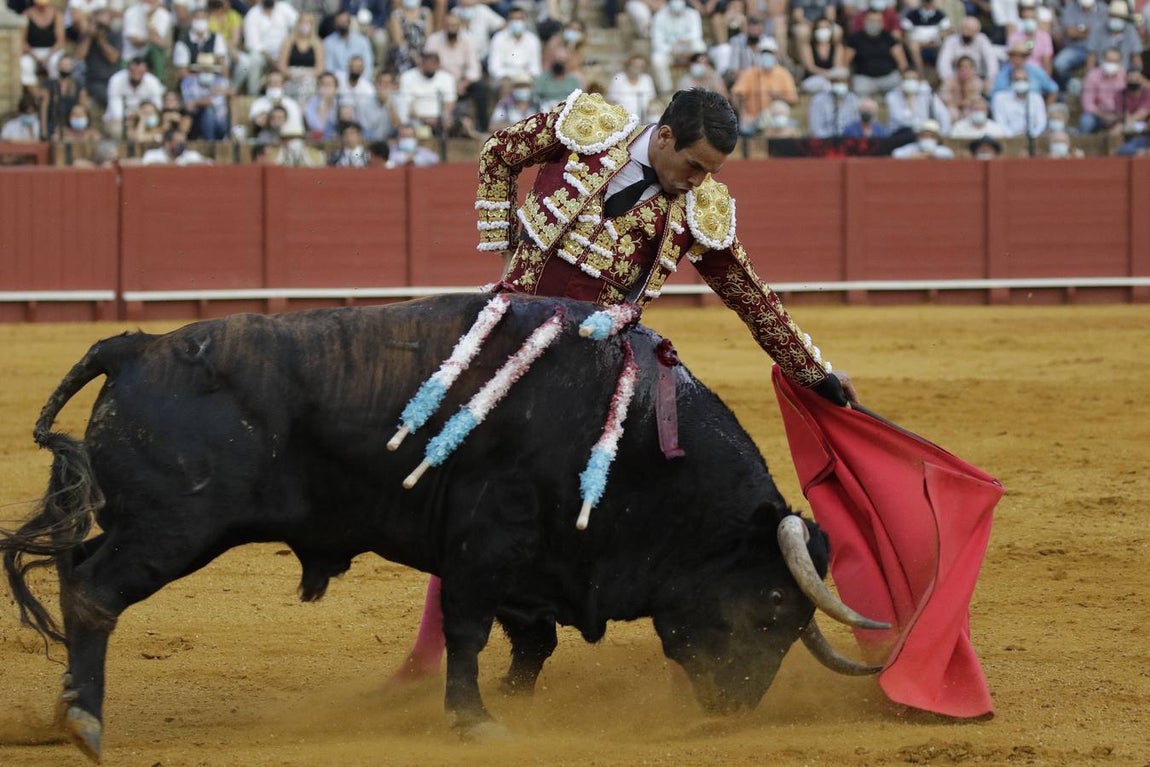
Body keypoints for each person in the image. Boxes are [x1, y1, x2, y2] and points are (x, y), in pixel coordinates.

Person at [394, 87, 857, 681]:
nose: (697, 181)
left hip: (586, 378)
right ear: (663, 136)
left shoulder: (698, 212)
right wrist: (505, 242)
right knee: (467, 482)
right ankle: (430, 654)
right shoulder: (587, 129)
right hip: (507, 340)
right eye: (693, 165)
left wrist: (814, 373)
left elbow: (752, 297)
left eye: (710, 171)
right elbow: (499, 152)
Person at [425, 13, 491, 133]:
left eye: (454, 25)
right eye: (448, 25)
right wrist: (450, 84)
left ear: (459, 26)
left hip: (462, 84)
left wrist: (464, 83)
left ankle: (482, 128)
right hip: (440, 83)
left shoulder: (467, 40)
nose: (451, 28)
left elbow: (474, 67)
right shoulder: (434, 40)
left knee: (481, 87)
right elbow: (430, 66)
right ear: (443, 26)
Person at [730, 37, 798, 132]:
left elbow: (793, 99)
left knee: (780, 107)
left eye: (769, 53)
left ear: (775, 54)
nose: (767, 55)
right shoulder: (750, 73)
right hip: (752, 119)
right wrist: (741, 113)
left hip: (773, 118)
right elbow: (736, 94)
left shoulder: (783, 74)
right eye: (764, 53)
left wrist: (778, 96)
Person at [844, 8, 907, 97]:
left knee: (901, 91)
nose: (874, 23)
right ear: (865, 21)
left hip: (888, 77)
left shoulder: (889, 38)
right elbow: (845, 63)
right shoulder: (855, 39)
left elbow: (902, 62)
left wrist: (904, 77)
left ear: (882, 23)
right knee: (860, 95)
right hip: (865, 79)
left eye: (878, 21)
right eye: (871, 20)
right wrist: (847, 80)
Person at [242, 0, 299, 95]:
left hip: (285, 51)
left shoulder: (284, 8)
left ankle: (290, 95)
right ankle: (253, 94)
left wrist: (289, 43)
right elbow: (253, 44)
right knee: (254, 60)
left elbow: (298, 24)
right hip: (264, 55)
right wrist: (271, 61)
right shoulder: (253, 14)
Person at [650, 0, 706, 94]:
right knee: (657, 59)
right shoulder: (659, 16)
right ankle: (666, 91)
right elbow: (657, 42)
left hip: (687, 48)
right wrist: (671, 50)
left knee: (700, 47)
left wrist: (683, 43)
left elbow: (696, 34)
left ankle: (700, 86)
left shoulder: (692, 14)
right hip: (669, 51)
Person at [396, 50, 457, 135]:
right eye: (428, 64)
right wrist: (425, 120)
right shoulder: (407, 77)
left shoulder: (447, 78)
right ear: (422, 63)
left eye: (433, 64)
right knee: (419, 129)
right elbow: (408, 106)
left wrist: (442, 118)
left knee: (454, 123)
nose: (430, 66)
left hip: (440, 120)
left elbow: (450, 103)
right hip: (417, 120)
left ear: (438, 64)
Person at [73, 7, 122, 110]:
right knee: (106, 96)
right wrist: (89, 37)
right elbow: (79, 57)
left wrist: (101, 40)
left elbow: (113, 58)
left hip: (113, 78)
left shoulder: (114, 35)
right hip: (95, 80)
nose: (101, 27)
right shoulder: (86, 36)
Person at [104, 55, 164, 138]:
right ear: (128, 70)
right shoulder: (116, 80)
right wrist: (130, 118)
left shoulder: (153, 82)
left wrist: (141, 115)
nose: (136, 75)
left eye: (140, 72)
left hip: (143, 116)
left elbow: (157, 106)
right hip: (120, 119)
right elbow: (116, 109)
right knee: (117, 129)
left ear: (145, 71)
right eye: (133, 71)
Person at [1079, 49, 1136, 134]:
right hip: (1098, 115)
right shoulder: (1092, 75)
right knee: (1086, 122)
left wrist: (1119, 116)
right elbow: (1087, 103)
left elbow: (1132, 97)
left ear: (1120, 62)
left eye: (1115, 61)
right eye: (1109, 60)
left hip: (1119, 115)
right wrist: (1104, 116)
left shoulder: (1125, 75)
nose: (1112, 64)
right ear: (1103, 60)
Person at [1054, 0, 1108, 88]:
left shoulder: (1104, 9)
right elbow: (1071, 33)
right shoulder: (1070, 9)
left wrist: (1082, 30)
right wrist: (1093, 31)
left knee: (1109, 63)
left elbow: (1106, 31)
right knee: (1059, 64)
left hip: (1099, 50)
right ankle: (1069, 86)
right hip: (1076, 49)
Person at [180, 53, 232, 141]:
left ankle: (210, 143)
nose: (205, 72)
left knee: (209, 111)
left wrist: (196, 102)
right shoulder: (188, 82)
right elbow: (188, 105)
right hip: (194, 120)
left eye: (208, 70)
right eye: (203, 69)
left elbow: (213, 102)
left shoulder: (221, 82)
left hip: (218, 123)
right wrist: (204, 100)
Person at [487, 6, 542, 87]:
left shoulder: (532, 40)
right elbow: (494, 67)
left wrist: (528, 77)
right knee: (506, 85)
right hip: (505, 77)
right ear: (508, 21)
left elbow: (535, 67)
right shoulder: (498, 38)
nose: (517, 22)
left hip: (526, 78)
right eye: (514, 19)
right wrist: (507, 77)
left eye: (520, 19)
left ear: (525, 20)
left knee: (529, 85)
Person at [885, 69, 950, 135]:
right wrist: (910, 99)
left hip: (923, 134)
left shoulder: (927, 93)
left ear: (919, 81)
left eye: (913, 79)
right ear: (901, 81)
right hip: (899, 135)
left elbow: (944, 115)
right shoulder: (892, 96)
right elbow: (905, 123)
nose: (910, 82)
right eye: (907, 79)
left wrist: (943, 134)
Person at [935, 17, 998, 86]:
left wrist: (990, 79)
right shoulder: (951, 40)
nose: (966, 33)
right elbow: (943, 63)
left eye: (970, 30)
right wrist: (948, 79)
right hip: (956, 78)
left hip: (978, 77)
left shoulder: (982, 40)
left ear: (977, 32)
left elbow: (991, 61)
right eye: (964, 29)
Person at [20, 0, 66, 90]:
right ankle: (35, 95)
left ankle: (54, 93)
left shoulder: (57, 14)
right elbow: (22, 41)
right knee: (25, 64)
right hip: (32, 51)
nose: (42, 6)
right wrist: (35, 57)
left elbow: (60, 41)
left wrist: (48, 57)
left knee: (54, 63)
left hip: (52, 50)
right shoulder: (26, 14)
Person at [278, 12, 324, 101]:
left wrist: (306, 75)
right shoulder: (288, 41)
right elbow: (282, 65)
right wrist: (292, 74)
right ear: (298, 24)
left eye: (308, 22)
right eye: (302, 22)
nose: (305, 25)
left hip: (310, 75)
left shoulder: (317, 43)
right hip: (291, 73)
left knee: (307, 85)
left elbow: (320, 68)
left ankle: (302, 110)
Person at [991, 66, 1047, 137]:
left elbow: (1041, 123)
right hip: (1008, 138)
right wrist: (1013, 137)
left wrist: (1032, 136)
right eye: (1017, 80)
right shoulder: (1000, 98)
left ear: (1029, 82)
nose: (1021, 82)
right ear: (1011, 82)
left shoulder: (1036, 98)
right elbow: (1000, 122)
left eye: (1024, 80)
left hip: (1032, 139)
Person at [250, 70, 306, 137]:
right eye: (270, 83)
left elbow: (296, 129)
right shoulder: (258, 104)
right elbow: (253, 127)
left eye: (276, 83)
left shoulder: (292, 104)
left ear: (283, 85)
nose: (273, 86)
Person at [808, 66, 860, 137]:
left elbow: (857, 125)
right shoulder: (818, 100)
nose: (839, 84)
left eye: (843, 81)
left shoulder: (854, 99)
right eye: (836, 81)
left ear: (848, 83)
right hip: (825, 141)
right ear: (830, 82)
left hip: (848, 141)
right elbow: (816, 129)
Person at [798, 16, 845, 93]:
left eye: (826, 27)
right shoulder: (808, 46)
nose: (823, 30)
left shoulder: (837, 47)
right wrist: (827, 74)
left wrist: (831, 75)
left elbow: (838, 66)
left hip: (831, 78)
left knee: (841, 76)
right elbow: (810, 68)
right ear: (815, 30)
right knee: (824, 84)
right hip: (812, 79)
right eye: (820, 28)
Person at [900, 0, 949, 73]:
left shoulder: (940, 14)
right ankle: (920, 72)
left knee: (944, 46)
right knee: (913, 47)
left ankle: (942, 71)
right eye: (926, 2)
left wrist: (940, 40)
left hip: (934, 42)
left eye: (929, 2)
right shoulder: (912, 14)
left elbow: (944, 32)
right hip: (917, 42)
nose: (928, 4)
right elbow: (906, 33)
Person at [387, 0, 434, 74]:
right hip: (404, 53)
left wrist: (422, 57)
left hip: (424, 51)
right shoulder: (396, 15)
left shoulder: (426, 13)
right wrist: (413, 56)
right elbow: (398, 40)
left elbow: (429, 38)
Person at [940, 55, 985, 122]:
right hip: (952, 107)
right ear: (957, 69)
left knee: (969, 112)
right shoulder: (949, 81)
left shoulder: (977, 82)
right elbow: (944, 100)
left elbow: (974, 101)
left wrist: (966, 85)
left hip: (968, 108)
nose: (964, 69)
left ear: (973, 69)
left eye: (968, 67)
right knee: (952, 112)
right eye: (962, 66)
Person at [141, 126, 212, 164]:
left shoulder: (192, 156)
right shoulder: (152, 155)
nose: (182, 145)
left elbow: (210, 163)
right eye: (178, 143)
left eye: (183, 143)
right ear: (167, 144)